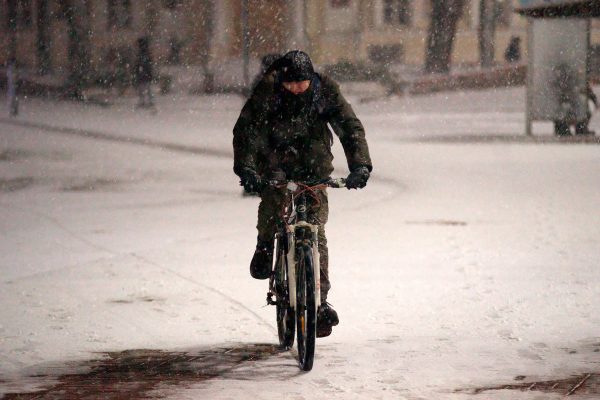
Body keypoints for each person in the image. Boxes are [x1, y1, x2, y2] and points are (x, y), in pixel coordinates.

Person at [233, 50, 372, 338]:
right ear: (282, 80)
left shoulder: (324, 90)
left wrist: (359, 164)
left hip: (314, 164)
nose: (297, 88)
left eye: (302, 83)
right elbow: (248, 129)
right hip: (274, 161)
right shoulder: (268, 91)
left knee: (316, 230)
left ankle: (319, 302)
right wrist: (247, 167)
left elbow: (348, 125)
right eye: (292, 83)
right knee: (274, 204)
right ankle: (264, 246)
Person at [134, 37, 155, 110]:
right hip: (144, 73)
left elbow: (143, 64)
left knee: (144, 88)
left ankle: (146, 101)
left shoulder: (143, 54)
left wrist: (139, 70)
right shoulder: (144, 53)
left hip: (143, 73)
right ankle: (146, 101)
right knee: (145, 88)